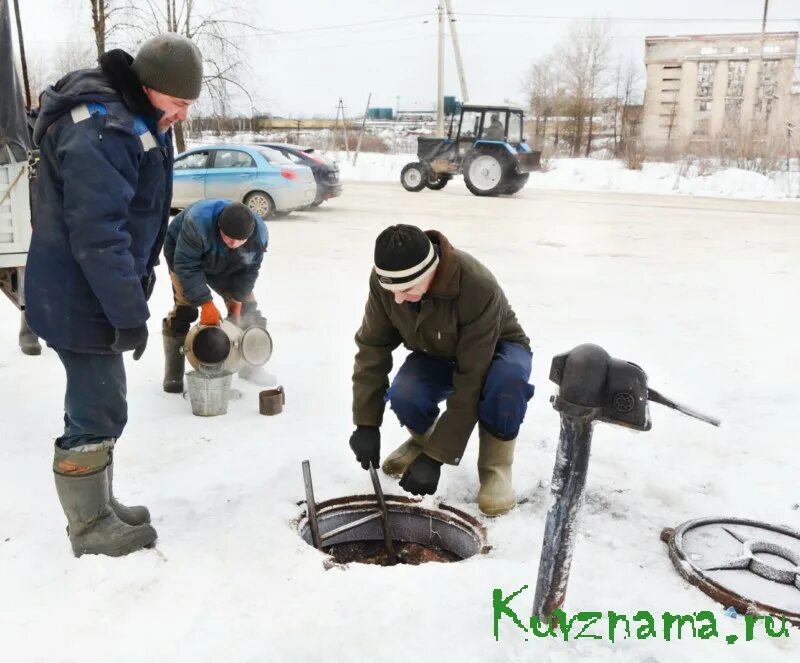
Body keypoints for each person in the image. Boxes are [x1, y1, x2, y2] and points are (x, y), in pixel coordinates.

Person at [24, 34, 203, 557]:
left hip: (92, 291)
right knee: (97, 407)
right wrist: (129, 314)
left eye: (189, 105)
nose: (182, 115)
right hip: (79, 293)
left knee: (104, 403)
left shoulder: (137, 118)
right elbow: (100, 236)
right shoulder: (102, 129)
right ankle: (89, 527)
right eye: (176, 103)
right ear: (146, 88)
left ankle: (100, 505)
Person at [348, 224, 535, 516]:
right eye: (392, 290)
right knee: (405, 393)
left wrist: (437, 459)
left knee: (505, 384)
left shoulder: (476, 285)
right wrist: (366, 423)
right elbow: (373, 348)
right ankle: (423, 440)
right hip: (436, 351)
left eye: (407, 290)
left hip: (496, 349)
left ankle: (495, 468)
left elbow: (472, 378)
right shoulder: (389, 282)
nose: (398, 299)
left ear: (430, 272)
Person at [161, 198, 270, 392]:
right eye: (229, 238)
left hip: (227, 263)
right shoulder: (198, 222)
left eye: (240, 241)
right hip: (184, 257)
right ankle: (173, 373)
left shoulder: (259, 236)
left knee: (248, 309)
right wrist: (205, 303)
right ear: (219, 226)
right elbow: (186, 265)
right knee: (185, 311)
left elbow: (249, 270)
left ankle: (250, 366)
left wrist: (237, 299)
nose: (234, 243)